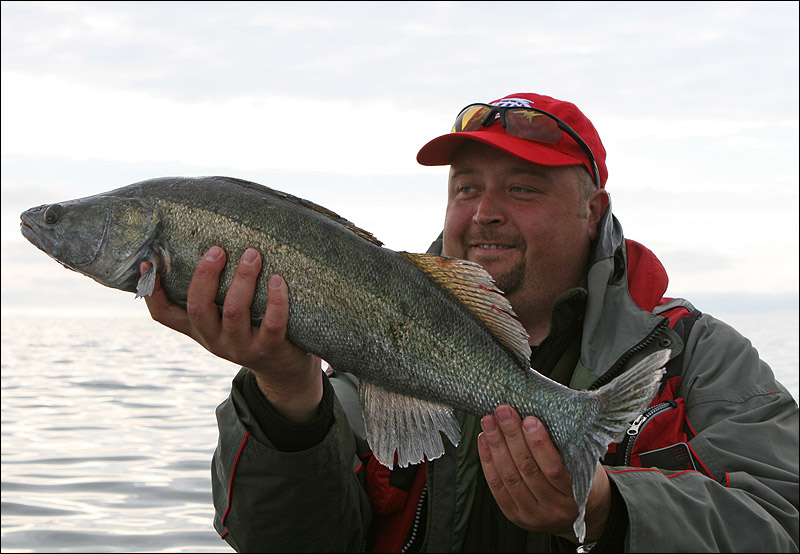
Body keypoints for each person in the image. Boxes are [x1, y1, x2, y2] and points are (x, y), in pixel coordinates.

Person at [142, 93, 799, 552]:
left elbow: (784, 524)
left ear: (592, 212)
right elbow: (292, 543)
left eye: (522, 188)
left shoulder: (703, 355)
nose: (483, 212)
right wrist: (285, 394)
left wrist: (608, 512)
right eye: (465, 187)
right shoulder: (367, 350)